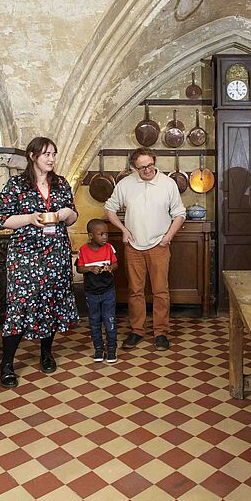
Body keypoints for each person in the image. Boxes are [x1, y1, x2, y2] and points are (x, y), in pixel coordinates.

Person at [0, 137, 80, 388]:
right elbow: (3, 220)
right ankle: (7, 364)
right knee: (19, 304)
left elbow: (73, 217)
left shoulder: (61, 183)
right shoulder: (16, 185)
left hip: (56, 253)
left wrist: (67, 214)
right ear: (33, 156)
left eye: (54, 154)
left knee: (50, 300)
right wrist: (30, 218)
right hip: (25, 254)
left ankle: (46, 353)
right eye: (46, 154)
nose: (51, 159)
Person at [105, 147, 186, 351]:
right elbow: (109, 208)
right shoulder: (125, 184)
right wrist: (123, 230)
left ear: (154, 162)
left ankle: (161, 332)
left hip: (159, 245)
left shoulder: (168, 184)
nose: (147, 170)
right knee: (135, 291)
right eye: (142, 168)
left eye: (150, 165)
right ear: (135, 167)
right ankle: (137, 331)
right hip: (133, 246)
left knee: (160, 291)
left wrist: (168, 237)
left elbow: (180, 213)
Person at [75, 219, 118, 363]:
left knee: (110, 320)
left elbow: (115, 264)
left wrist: (110, 267)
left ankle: (111, 349)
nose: (105, 237)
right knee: (94, 321)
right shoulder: (83, 250)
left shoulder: (109, 248)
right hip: (91, 293)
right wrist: (90, 269)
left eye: (106, 234)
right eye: (101, 234)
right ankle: (98, 349)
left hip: (108, 291)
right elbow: (79, 268)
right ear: (91, 236)